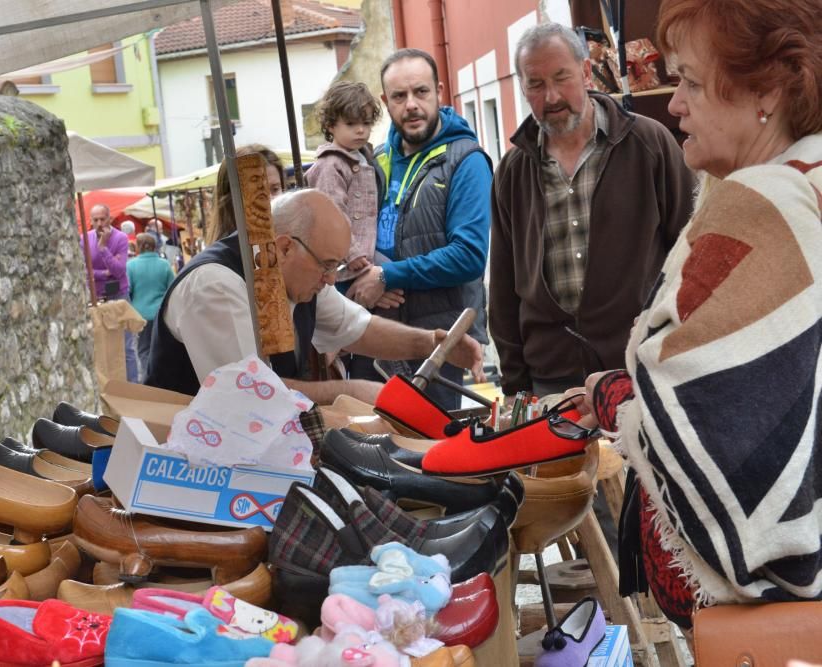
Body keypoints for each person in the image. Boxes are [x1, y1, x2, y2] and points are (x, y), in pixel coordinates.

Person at [571, 0, 822, 629]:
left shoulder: (763, 205)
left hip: (778, 623)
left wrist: (611, 396)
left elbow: (707, 435)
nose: (673, 103)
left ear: (766, 86)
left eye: (689, 80)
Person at [489, 23, 696, 400]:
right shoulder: (512, 171)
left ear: (586, 73)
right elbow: (503, 290)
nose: (551, 96)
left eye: (561, 78)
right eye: (535, 84)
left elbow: (692, 251)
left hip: (639, 372)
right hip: (550, 382)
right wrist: (516, 388)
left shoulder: (648, 145)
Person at [145, 189, 485, 405]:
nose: (331, 279)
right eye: (327, 265)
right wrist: (346, 393)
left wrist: (432, 343)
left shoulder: (300, 274)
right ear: (284, 247)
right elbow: (246, 394)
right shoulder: (214, 286)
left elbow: (357, 328)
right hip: (185, 465)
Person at [346, 49, 493, 410]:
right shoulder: (373, 159)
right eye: (399, 96)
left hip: (438, 347)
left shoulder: (466, 160)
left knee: (427, 455)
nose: (411, 104)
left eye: (421, 92)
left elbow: (469, 256)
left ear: (439, 92)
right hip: (374, 335)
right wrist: (368, 281)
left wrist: (387, 276)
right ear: (385, 101)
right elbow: (347, 236)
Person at [306, 81, 383, 293]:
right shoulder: (330, 165)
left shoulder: (365, 157)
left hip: (366, 259)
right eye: (351, 124)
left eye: (366, 123)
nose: (360, 130)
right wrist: (351, 252)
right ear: (331, 125)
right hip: (343, 265)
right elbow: (332, 216)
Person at [82, 203, 139, 382]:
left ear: (110, 219)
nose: (99, 223)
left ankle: (133, 388)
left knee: (126, 346)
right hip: (96, 297)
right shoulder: (83, 239)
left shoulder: (121, 238)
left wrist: (103, 248)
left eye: (102, 219)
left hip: (119, 296)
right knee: (101, 346)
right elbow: (83, 271)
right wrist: (103, 273)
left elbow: (119, 271)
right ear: (90, 221)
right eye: (95, 219)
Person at [204, 144, 285, 244]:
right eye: (257, 193)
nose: (270, 200)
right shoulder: (221, 257)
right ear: (231, 200)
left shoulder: (291, 239)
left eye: (275, 189)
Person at [127, 232, 175, 372]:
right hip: (161, 314)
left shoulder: (131, 266)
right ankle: (164, 376)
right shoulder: (165, 265)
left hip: (141, 315)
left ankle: (150, 379)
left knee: (144, 350)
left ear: (138, 247)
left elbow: (128, 291)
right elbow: (172, 289)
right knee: (162, 348)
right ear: (155, 246)